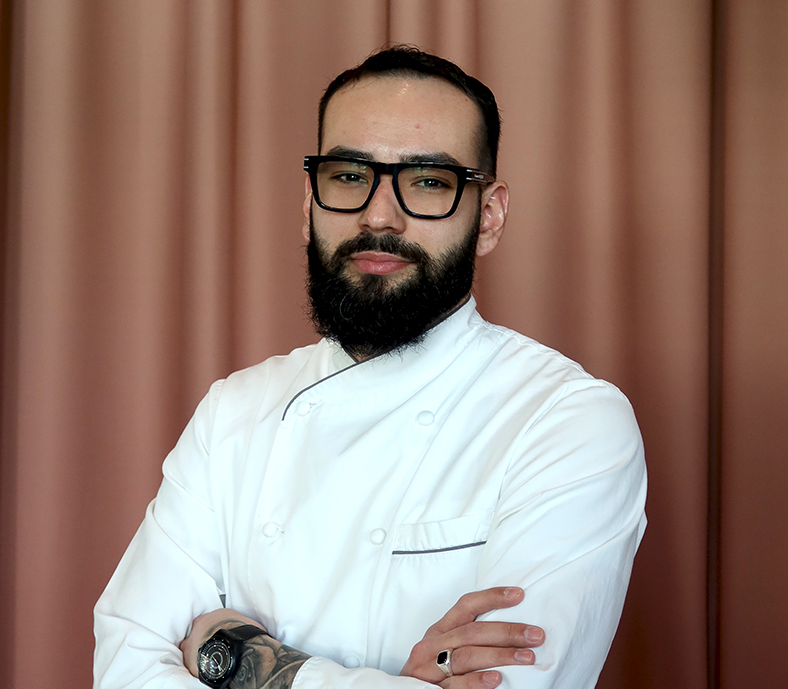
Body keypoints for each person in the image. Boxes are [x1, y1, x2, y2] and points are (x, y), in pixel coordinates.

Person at [93, 45, 647, 689]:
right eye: (350, 176)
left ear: (489, 216)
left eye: (429, 182)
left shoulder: (567, 420)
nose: (379, 216)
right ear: (309, 202)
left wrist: (238, 660)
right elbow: (125, 664)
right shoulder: (234, 411)